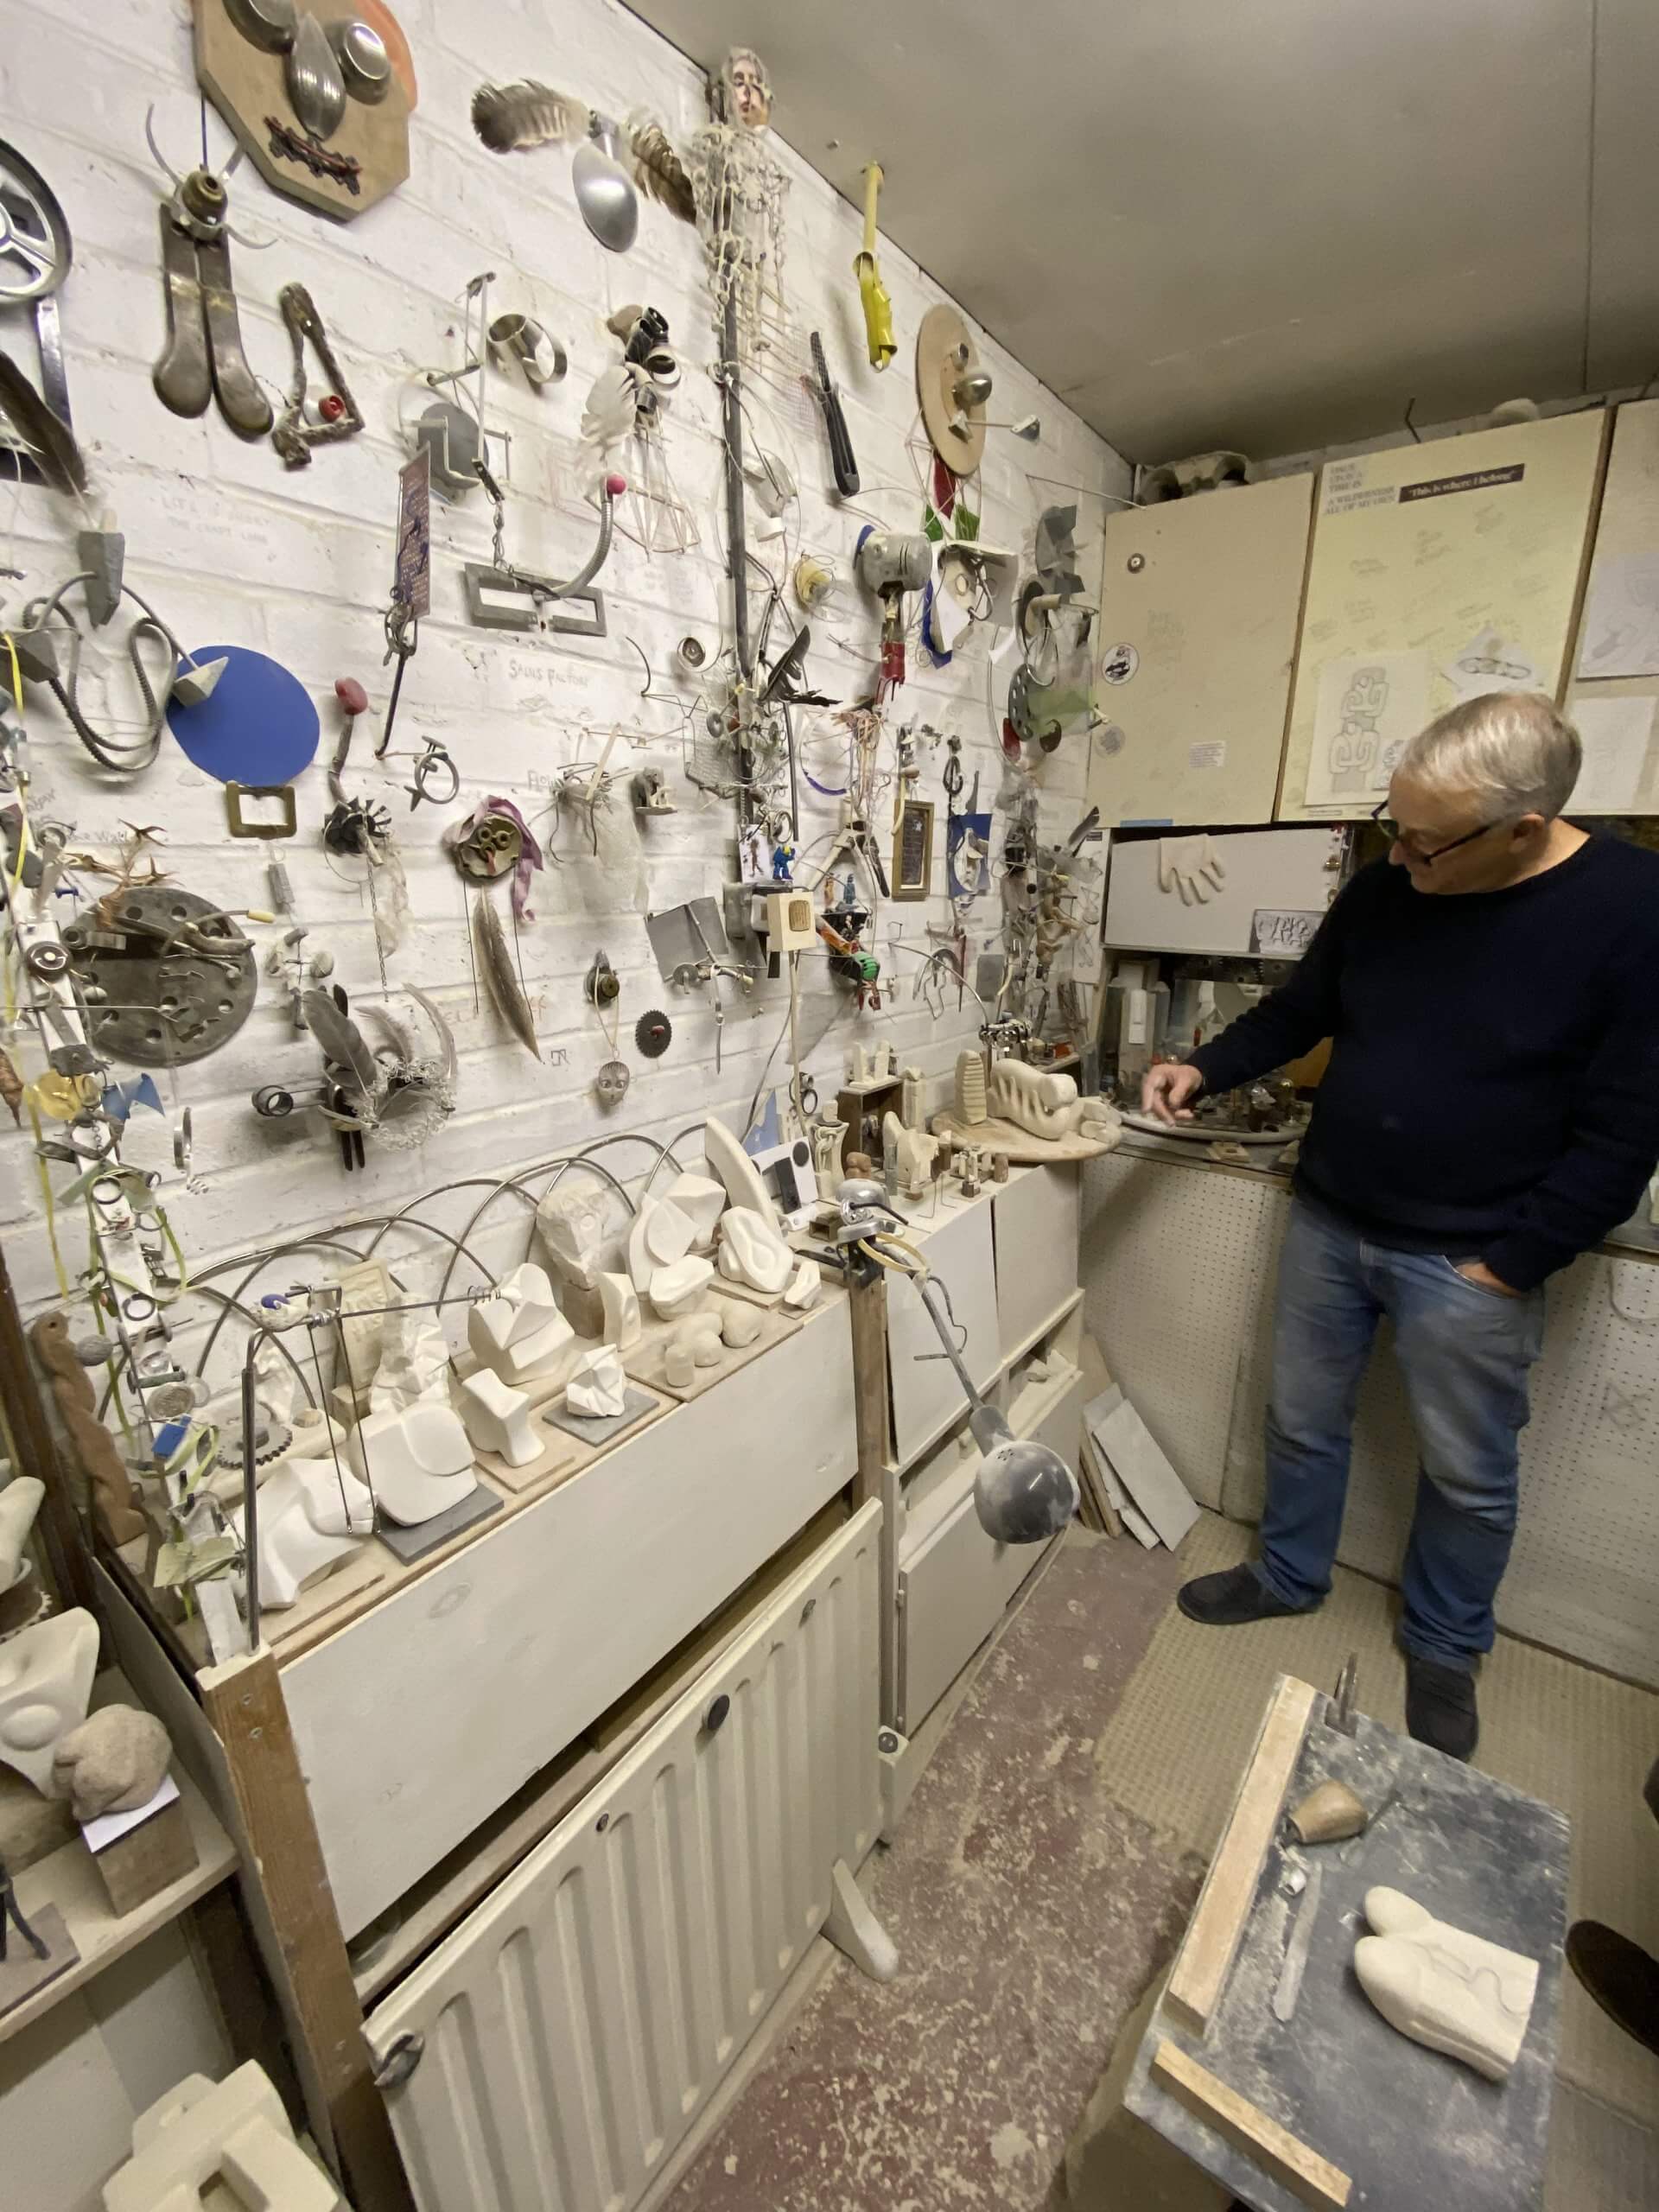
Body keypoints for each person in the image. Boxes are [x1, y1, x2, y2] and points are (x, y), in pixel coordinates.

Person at [1142, 692, 1659, 1759]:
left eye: (1425, 841)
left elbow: (1629, 1124)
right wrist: (1206, 1065)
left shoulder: (1634, 911)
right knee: (1300, 1418)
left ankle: (1444, 1640)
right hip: (1333, 1217)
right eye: (1394, 825)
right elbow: (1302, 1010)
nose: (1401, 854)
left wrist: (1514, 1264)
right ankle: (1288, 1576)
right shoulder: (1392, 887)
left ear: (1524, 828)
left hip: (1474, 1255)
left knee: (1469, 1470)